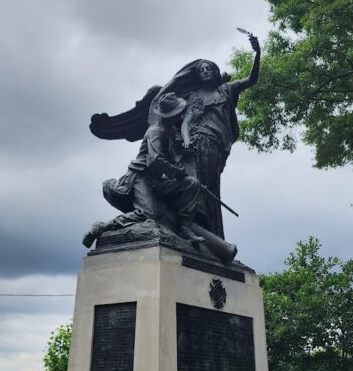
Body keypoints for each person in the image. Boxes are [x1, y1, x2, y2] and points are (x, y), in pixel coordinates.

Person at [153, 33, 260, 238]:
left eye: (208, 68)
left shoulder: (226, 90)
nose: (205, 72)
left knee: (210, 186)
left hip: (216, 145)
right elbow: (185, 122)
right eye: (201, 70)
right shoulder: (193, 97)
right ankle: (190, 225)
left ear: (214, 71)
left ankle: (209, 230)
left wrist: (257, 52)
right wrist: (186, 142)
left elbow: (251, 79)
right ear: (198, 75)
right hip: (198, 142)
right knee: (197, 184)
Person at [83, 93, 204, 247]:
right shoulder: (156, 131)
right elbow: (155, 160)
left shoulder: (170, 130)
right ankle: (101, 227)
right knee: (148, 214)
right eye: (178, 112)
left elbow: (176, 149)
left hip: (158, 179)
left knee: (192, 184)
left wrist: (185, 148)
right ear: (170, 115)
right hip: (141, 177)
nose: (180, 114)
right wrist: (176, 172)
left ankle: (184, 228)